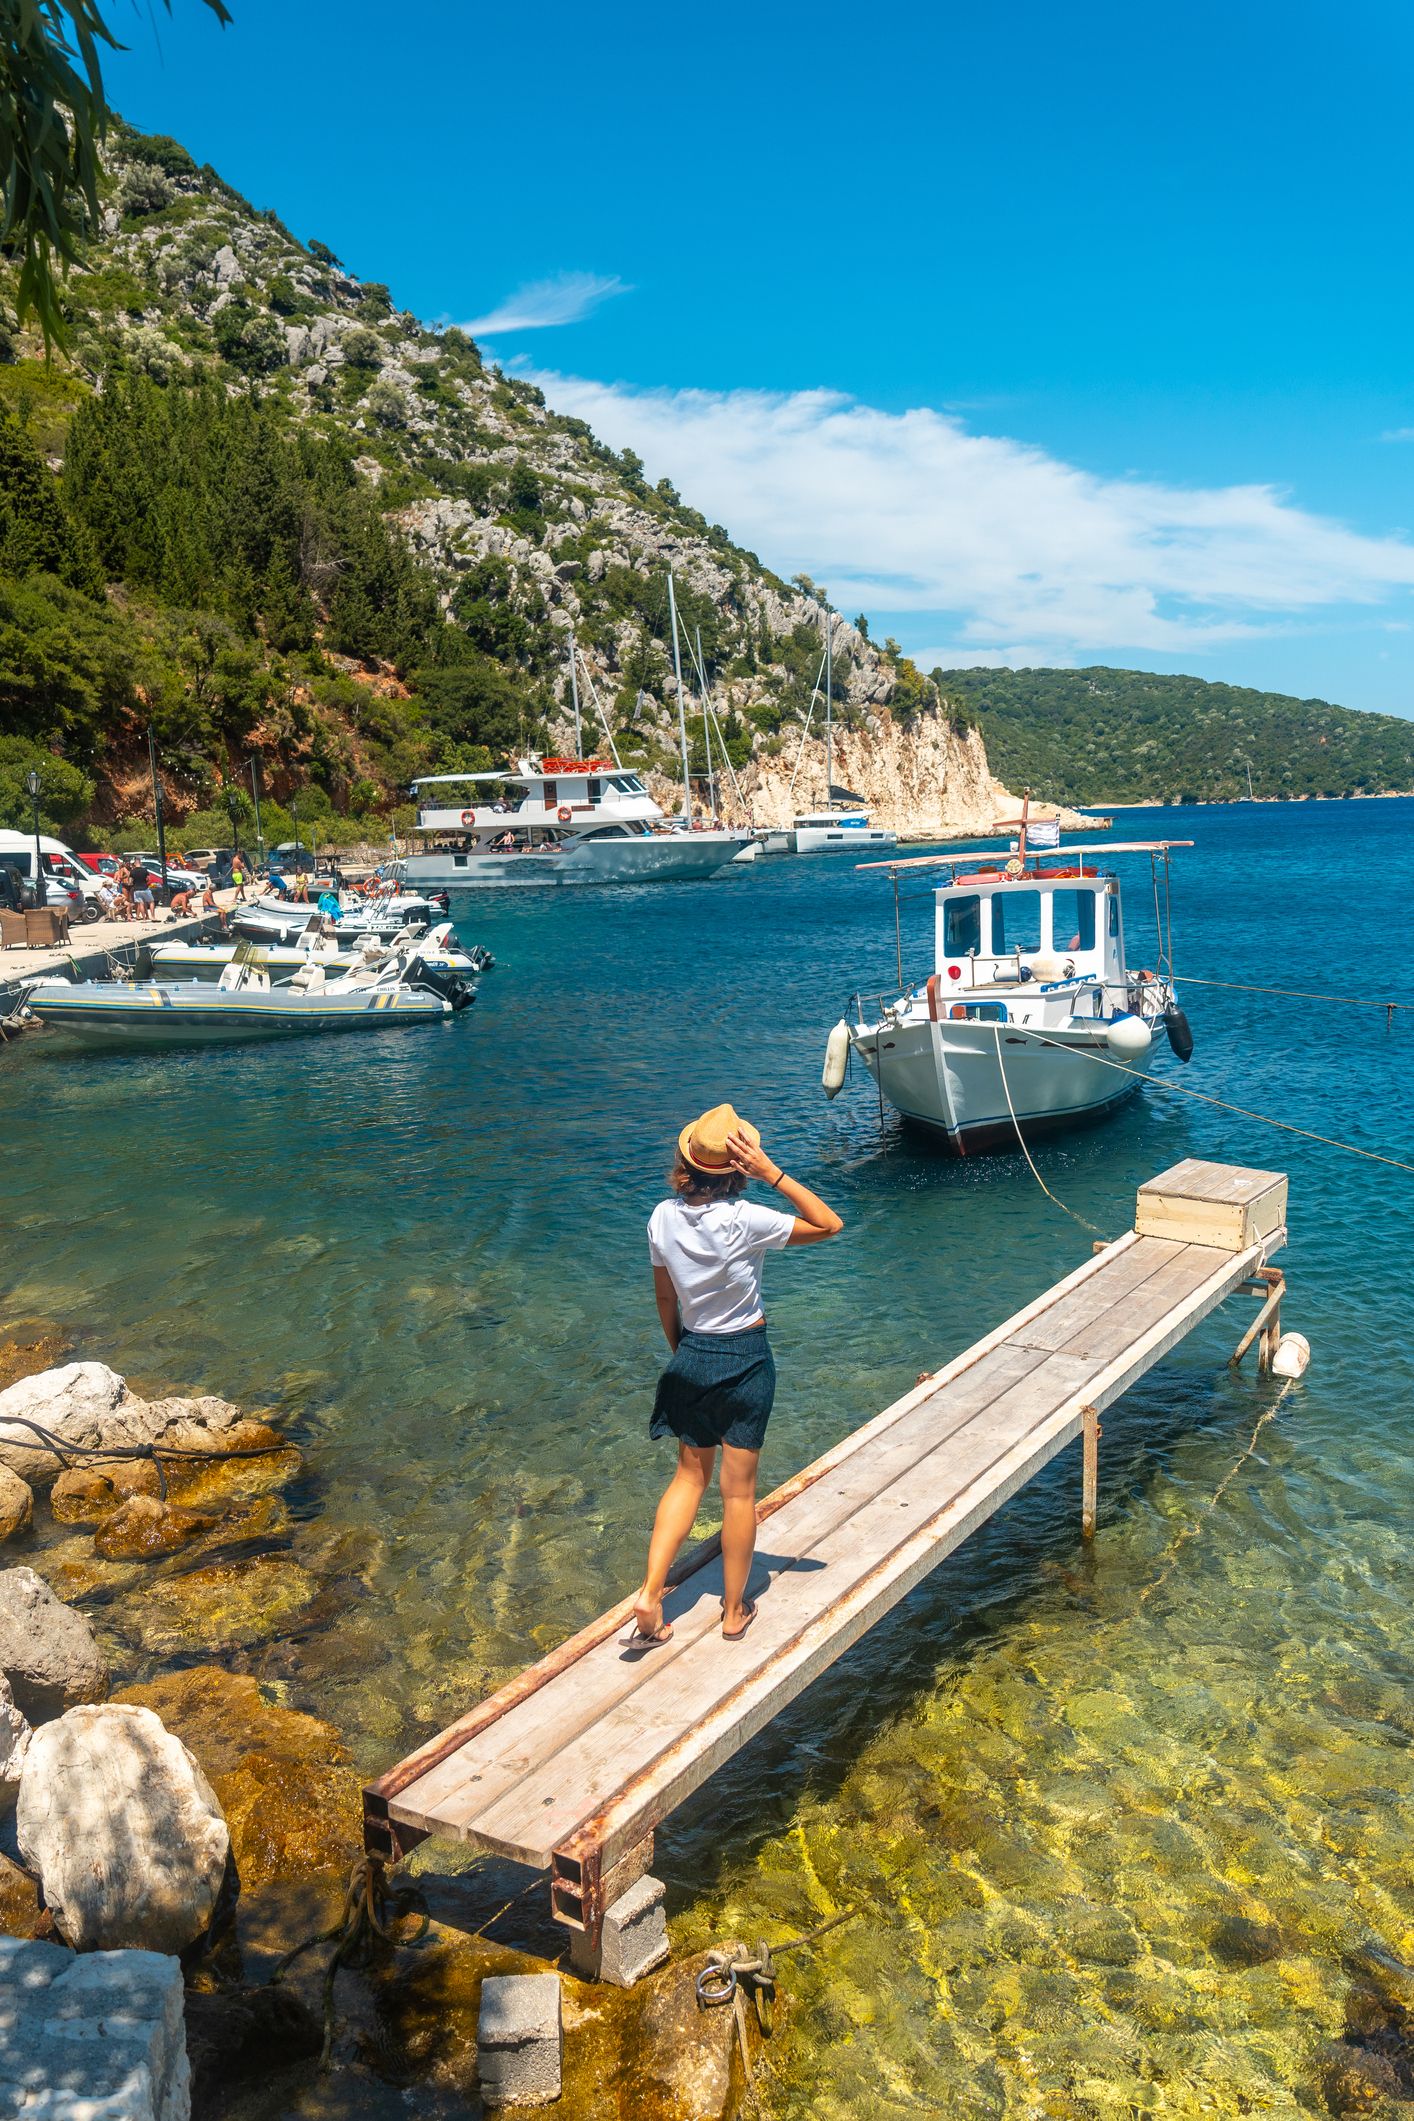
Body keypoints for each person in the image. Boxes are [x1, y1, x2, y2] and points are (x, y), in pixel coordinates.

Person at [628, 1104, 843, 1648]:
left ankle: (651, 1595)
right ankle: (731, 1611)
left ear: (686, 1163)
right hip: (745, 1356)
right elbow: (828, 1224)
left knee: (687, 1479)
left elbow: (664, 1296)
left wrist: (684, 1353)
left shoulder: (661, 1217)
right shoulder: (748, 1219)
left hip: (691, 1354)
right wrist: (773, 1173)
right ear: (738, 1167)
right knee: (738, 1495)